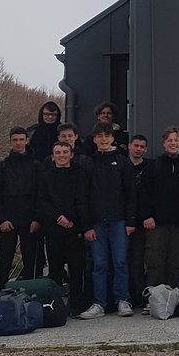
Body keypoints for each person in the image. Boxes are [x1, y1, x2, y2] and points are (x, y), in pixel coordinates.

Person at [78, 124, 137, 318]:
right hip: (96, 223)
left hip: (119, 221)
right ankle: (99, 303)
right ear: (94, 139)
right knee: (99, 264)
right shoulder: (87, 163)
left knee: (120, 262)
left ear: (112, 139)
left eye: (107, 136)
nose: (103, 139)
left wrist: (130, 221)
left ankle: (123, 300)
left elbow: (131, 194)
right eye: (100, 136)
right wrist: (86, 225)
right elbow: (83, 196)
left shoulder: (122, 162)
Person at [139, 127, 179, 291]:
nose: (173, 143)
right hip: (157, 223)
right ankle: (154, 297)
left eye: (176, 140)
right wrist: (147, 215)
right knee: (155, 262)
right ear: (164, 143)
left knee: (177, 263)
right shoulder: (153, 166)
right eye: (170, 140)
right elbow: (144, 192)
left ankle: (174, 298)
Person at [39, 140, 88, 313]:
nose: (61, 155)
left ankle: (76, 304)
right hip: (53, 228)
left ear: (71, 155)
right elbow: (43, 201)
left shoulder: (80, 174)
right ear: (53, 157)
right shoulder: (45, 176)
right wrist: (58, 217)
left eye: (65, 152)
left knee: (76, 267)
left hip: (74, 227)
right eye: (58, 152)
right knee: (55, 268)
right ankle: (56, 304)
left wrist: (70, 217)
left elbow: (82, 199)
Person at [0, 126, 42, 288]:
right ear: (10, 142)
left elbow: (40, 195)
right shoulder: (2, 167)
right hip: (8, 221)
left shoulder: (36, 166)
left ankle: (28, 295)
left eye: (22, 140)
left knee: (30, 262)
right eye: (15, 140)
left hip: (30, 222)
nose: (19, 143)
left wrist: (37, 219)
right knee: (5, 261)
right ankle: (0, 291)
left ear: (27, 141)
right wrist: (1, 220)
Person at [126, 134, 153, 304]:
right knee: (125, 261)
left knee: (141, 259)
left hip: (143, 221)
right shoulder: (122, 165)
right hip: (124, 221)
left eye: (142, 146)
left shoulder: (150, 166)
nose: (139, 149)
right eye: (136, 145)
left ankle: (140, 295)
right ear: (129, 146)